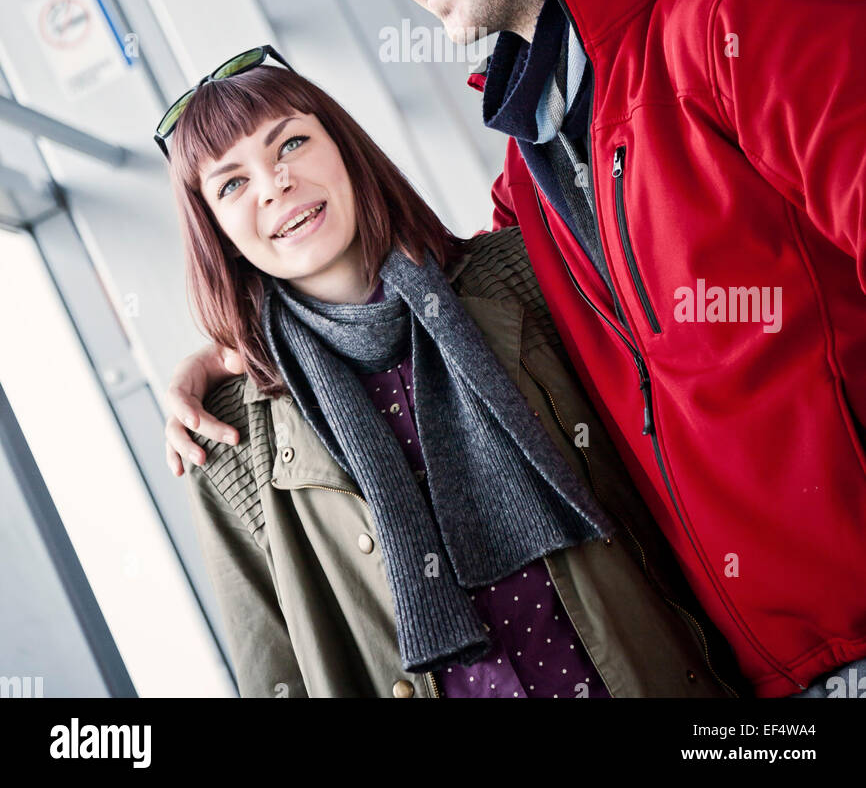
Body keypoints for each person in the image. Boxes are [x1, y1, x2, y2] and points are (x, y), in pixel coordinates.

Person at [157, 47, 741, 698]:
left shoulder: (519, 278)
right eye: (231, 183)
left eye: (291, 143)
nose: (274, 184)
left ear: (345, 148)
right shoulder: (225, 437)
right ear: (214, 229)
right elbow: (277, 676)